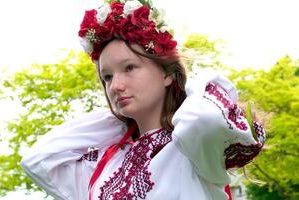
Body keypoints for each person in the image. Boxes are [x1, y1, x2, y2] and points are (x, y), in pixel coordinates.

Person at [21, 0, 266, 199]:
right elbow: (39, 160)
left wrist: (179, 83)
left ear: (166, 73)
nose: (115, 86)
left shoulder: (189, 145)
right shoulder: (107, 163)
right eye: (107, 77)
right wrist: (119, 121)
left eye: (129, 68)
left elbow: (204, 119)